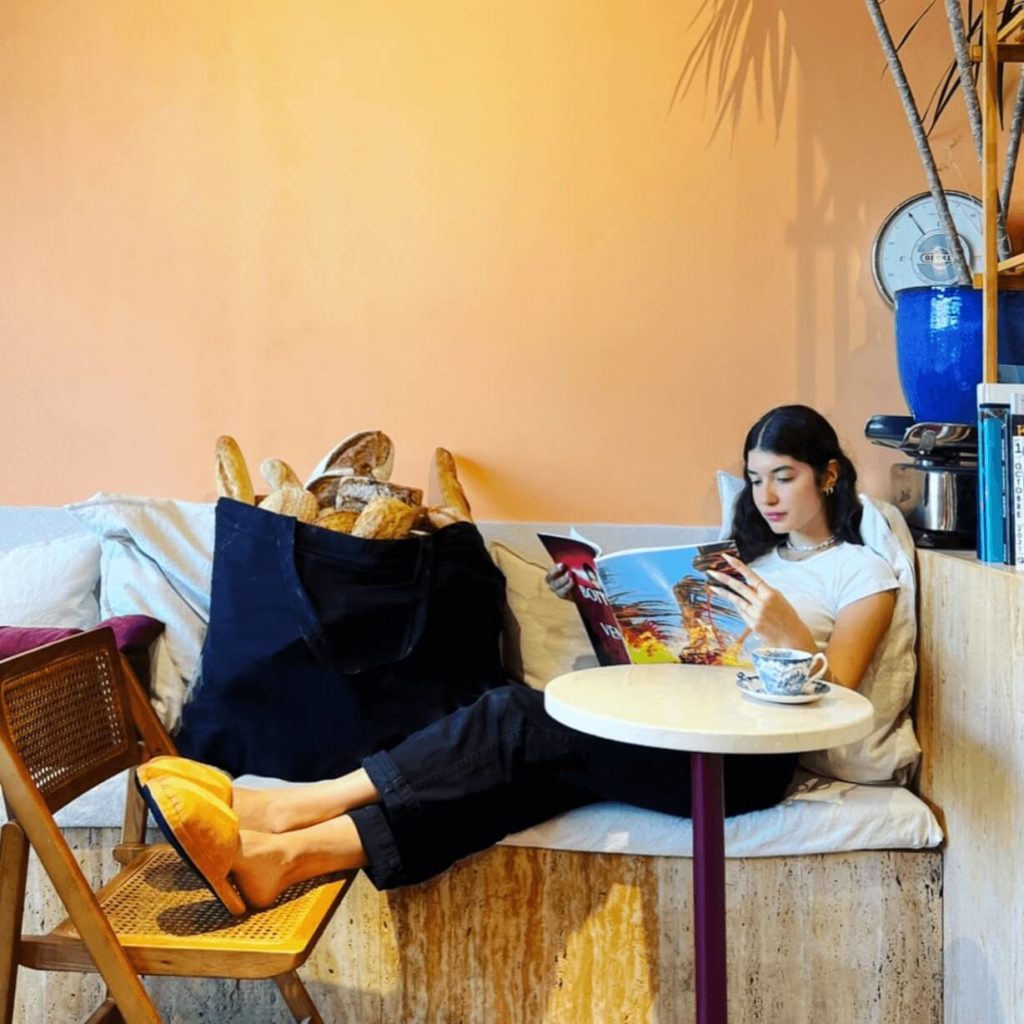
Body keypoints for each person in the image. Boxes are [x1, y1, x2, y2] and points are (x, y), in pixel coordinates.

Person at [139, 404, 903, 915]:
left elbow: (835, 699)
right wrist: (604, 603)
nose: (769, 495)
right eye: (759, 476)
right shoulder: (739, 559)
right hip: (680, 726)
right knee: (514, 785)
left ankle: (294, 805)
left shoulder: (861, 572)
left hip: (743, 767)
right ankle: (289, 861)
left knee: (511, 713)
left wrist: (783, 632)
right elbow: (683, 661)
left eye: (787, 476)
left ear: (828, 476)